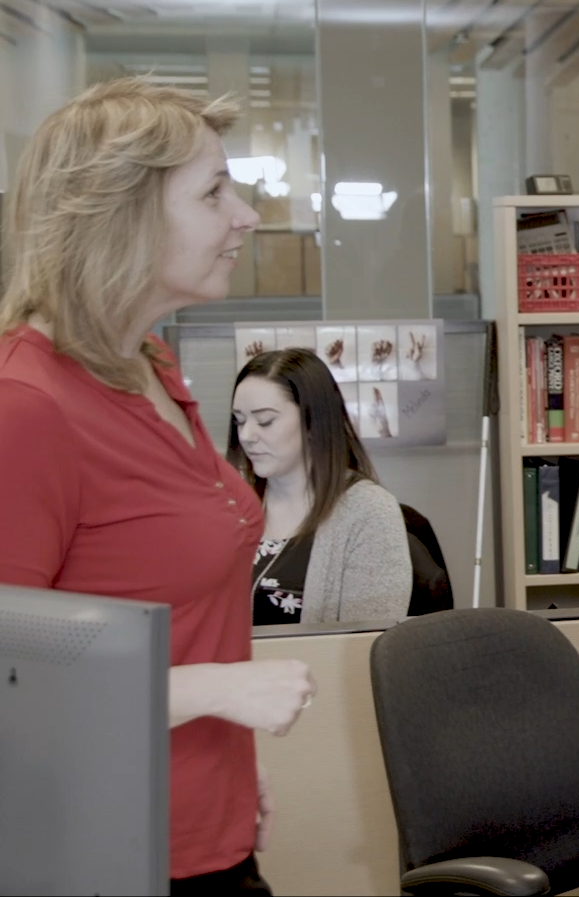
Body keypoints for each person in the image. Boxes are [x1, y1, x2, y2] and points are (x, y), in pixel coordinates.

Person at [0, 78, 316, 892]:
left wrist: (230, 776)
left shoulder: (149, 365)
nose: (246, 215)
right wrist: (219, 688)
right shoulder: (27, 406)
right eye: (214, 191)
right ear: (122, 216)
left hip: (203, 832)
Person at [228, 347, 412, 624]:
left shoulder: (368, 512)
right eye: (239, 420)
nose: (246, 435)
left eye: (265, 421)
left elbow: (365, 644)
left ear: (313, 421)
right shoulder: (232, 504)